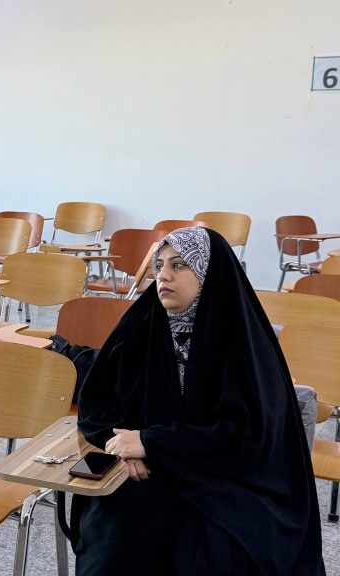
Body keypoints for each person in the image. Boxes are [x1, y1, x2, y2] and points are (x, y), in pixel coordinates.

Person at [74, 227, 324, 575]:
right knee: (117, 539)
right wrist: (119, 446)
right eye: (159, 265)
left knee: (214, 550)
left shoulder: (242, 342)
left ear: (209, 273)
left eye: (179, 265)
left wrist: (151, 441)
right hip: (150, 471)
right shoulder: (141, 327)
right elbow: (98, 400)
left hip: (230, 477)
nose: (163, 275)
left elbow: (246, 436)